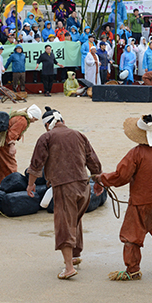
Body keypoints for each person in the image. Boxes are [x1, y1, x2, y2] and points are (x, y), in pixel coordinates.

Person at [93, 114, 152, 281]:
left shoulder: (135, 153)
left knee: (131, 235)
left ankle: (133, 269)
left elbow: (121, 176)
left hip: (140, 202)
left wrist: (101, 178)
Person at [27, 107, 103, 280]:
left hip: (63, 186)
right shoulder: (79, 135)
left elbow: (36, 164)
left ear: (47, 124)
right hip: (83, 186)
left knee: (64, 224)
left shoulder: (46, 137)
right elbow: (94, 162)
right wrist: (98, 182)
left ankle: (69, 267)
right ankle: (75, 255)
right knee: (75, 220)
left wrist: (31, 185)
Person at [0, 104, 41, 184]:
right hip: (3, 144)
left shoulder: (17, 115)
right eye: (35, 119)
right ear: (32, 116)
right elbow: (12, 134)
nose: (33, 121)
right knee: (10, 165)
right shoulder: (23, 120)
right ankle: (14, 184)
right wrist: (12, 146)